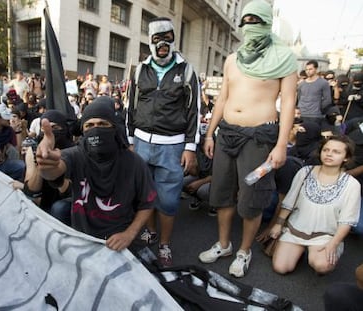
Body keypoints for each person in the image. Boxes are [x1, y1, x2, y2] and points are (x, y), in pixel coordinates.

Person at [198, 0, 298, 278]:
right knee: (222, 193)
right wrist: (209, 133)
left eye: (257, 21)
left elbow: (288, 102)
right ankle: (224, 244)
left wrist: (281, 145)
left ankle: (244, 250)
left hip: (259, 138)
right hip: (226, 134)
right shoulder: (233, 59)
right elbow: (222, 99)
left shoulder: (284, 58)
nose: (250, 26)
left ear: (267, 23)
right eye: (247, 21)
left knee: (252, 197)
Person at [36, 96, 156, 252]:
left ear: (114, 128)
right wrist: (46, 163)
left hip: (120, 239)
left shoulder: (134, 162)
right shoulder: (75, 155)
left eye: (102, 124)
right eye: (89, 125)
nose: (96, 129)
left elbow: (147, 202)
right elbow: (54, 171)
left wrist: (129, 234)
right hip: (85, 239)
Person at [127, 17, 200, 266]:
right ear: (150, 41)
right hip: (141, 143)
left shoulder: (187, 71)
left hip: (173, 146)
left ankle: (165, 244)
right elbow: (131, 107)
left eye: (167, 37)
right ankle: (150, 231)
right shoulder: (139, 70)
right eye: (157, 38)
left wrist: (190, 147)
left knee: (168, 200)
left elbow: (194, 111)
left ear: (174, 39)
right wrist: (129, 140)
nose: (162, 43)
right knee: (146, 194)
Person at [269, 135, 361, 275]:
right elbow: (289, 202)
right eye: (326, 150)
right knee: (281, 268)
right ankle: (297, 251)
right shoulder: (305, 172)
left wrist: (333, 244)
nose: (329, 154)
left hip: (325, 236)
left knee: (322, 266)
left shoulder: (352, 185)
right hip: (296, 229)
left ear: (346, 158)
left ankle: (314, 254)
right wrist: (278, 224)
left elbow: (346, 221)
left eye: (336, 152)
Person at [297, 60, 332, 125]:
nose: (308, 71)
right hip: (301, 114)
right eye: (306, 69)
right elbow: (299, 97)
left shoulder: (323, 83)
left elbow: (327, 100)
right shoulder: (301, 84)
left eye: (310, 69)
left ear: (316, 69)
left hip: (315, 115)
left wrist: (318, 109)